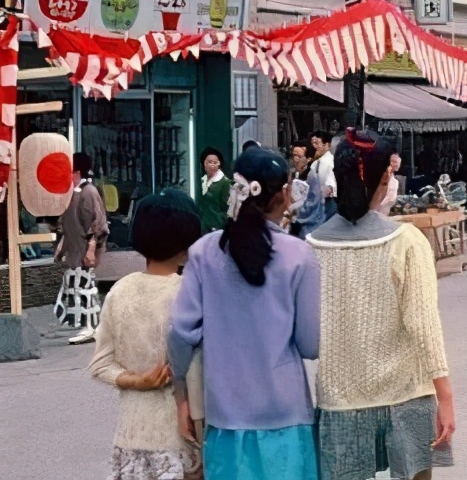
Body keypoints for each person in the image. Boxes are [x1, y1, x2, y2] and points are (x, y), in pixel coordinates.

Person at [310, 129, 456, 480]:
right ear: (386, 178)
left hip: (341, 399)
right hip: (408, 393)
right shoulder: (407, 241)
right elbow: (423, 324)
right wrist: (446, 397)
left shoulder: (311, 246)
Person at [169, 147, 321, 480]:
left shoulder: (204, 252)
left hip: (225, 416)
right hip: (286, 413)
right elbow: (311, 345)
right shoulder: (299, 255)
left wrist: (181, 389)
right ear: (283, 195)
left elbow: (181, 331)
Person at [89, 190, 204, 480]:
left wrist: (138, 381)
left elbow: (100, 364)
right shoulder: (190, 293)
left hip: (131, 437)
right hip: (182, 437)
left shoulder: (119, 291)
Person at [54, 152, 109, 345]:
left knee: (84, 288)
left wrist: (91, 249)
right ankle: (91, 325)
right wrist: (61, 248)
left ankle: (90, 326)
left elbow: (97, 223)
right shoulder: (74, 193)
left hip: (85, 250)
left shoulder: (89, 192)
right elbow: (68, 225)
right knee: (79, 287)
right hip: (76, 249)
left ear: (76, 172)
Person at [292, 141, 326, 239]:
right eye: (294, 155)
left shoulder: (312, 176)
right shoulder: (293, 173)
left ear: (308, 159)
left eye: (299, 156)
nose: (295, 159)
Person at [194, 147, 230, 234]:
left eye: (215, 162)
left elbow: (227, 207)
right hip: (201, 226)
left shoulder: (224, 182)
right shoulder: (201, 181)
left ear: (219, 164)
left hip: (216, 227)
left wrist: (220, 223)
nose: (213, 165)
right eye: (210, 162)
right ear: (204, 164)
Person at [311, 130, 337, 221]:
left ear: (327, 145)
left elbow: (329, 188)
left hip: (326, 202)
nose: (314, 146)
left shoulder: (327, 162)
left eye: (317, 143)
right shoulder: (319, 161)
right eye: (312, 143)